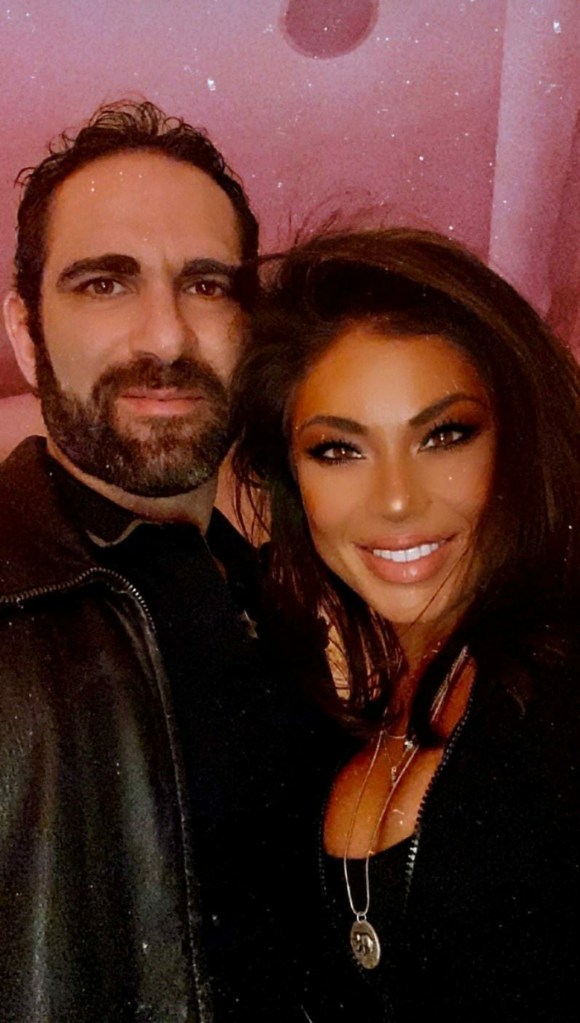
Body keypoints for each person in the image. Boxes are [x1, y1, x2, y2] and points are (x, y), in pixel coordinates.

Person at [0, 100, 333, 1022]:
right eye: (105, 283)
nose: (167, 339)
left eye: (207, 285)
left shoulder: (273, 590)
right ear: (25, 330)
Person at [232, 227, 580, 1021]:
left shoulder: (559, 699)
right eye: (338, 450)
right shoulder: (343, 722)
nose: (395, 499)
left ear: (518, 442)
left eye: (444, 436)